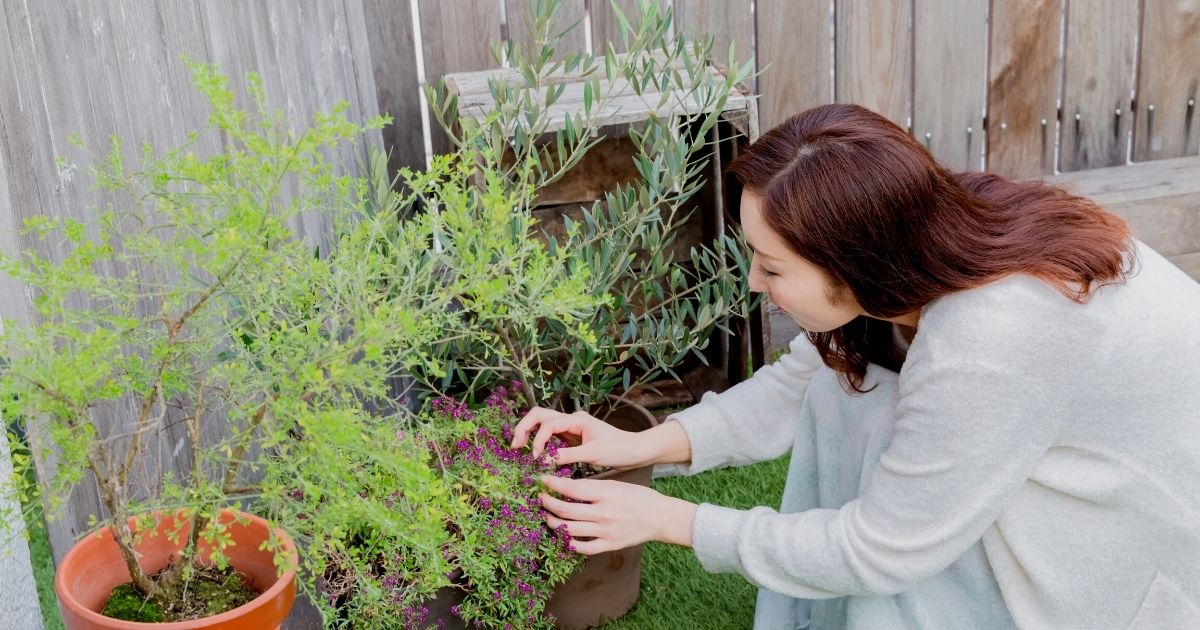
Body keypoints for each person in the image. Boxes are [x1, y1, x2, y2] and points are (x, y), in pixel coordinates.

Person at [510, 104, 1200, 629]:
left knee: (895, 534)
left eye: (772, 265)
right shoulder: (919, 230)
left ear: (854, 260)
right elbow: (802, 383)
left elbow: (883, 547)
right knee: (845, 395)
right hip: (1076, 466)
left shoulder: (990, 342)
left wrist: (674, 521)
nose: (753, 282)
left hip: (1127, 563)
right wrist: (642, 445)